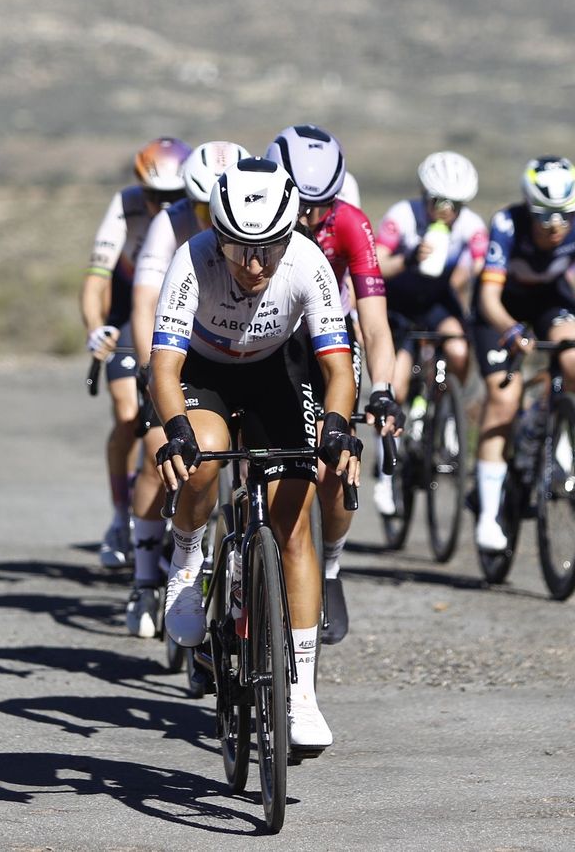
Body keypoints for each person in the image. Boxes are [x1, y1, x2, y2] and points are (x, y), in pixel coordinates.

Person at [150, 158, 361, 752]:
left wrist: (339, 426)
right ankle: (187, 559)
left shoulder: (308, 262)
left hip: (275, 370)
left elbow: (336, 367)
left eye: (268, 247)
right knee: (207, 455)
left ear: (288, 235)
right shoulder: (192, 260)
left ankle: (301, 694)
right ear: (217, 235)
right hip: (204, 373)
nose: (253, 264)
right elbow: (163, 367)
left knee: (293, 520)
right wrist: (175, 429)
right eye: (239, 247)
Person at [264, 124, 400, 645]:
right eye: (302, 204)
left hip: (327, 336)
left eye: (322, 205)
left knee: (334, 464)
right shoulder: (258, 213)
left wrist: (383, 388)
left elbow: (374, 323)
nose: (308, 219)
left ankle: (331, 569)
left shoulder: (349, 223)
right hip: (263, 336)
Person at [469, 156, 575, 551]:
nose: (556, 226)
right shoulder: (507, 224)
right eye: (545, 217)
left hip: (549, 300)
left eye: (565, 215)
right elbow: (489, 297)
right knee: (503, 399)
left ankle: (554, 423)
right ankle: (490, 514)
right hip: (500, 306)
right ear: (530, 209)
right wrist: (510, 329)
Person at [123, 140, 250, 637]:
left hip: (241, 352)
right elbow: (144, 302)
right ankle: (144, 579)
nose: (203, 218)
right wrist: (147, 366)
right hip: (179, 348)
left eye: (209, 209)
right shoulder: (169, 224)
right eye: (195, 207)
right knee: (161, 448)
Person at [81, 136, 191, 569]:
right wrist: (95, 329)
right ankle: (119, 515)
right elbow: (95, 281)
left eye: (173, 197)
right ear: (140, 189)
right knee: (128, 412)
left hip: (179, 306)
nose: (162, 206)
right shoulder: (125, 205)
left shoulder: (196, 211)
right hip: (131, 312)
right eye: (154, 196)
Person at [370, 151, 488, 514]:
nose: (447, 211)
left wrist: (467, 275)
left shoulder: (471, 225)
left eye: (456, 205)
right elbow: (375, 264)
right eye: (439, 201)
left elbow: (483, 265)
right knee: (397, 386)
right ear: (425, 196)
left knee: (457, 348)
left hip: (437, 302)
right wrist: (409, 258)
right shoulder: (402, 217)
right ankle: (385, 473)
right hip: (400, 303)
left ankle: (449, 416)